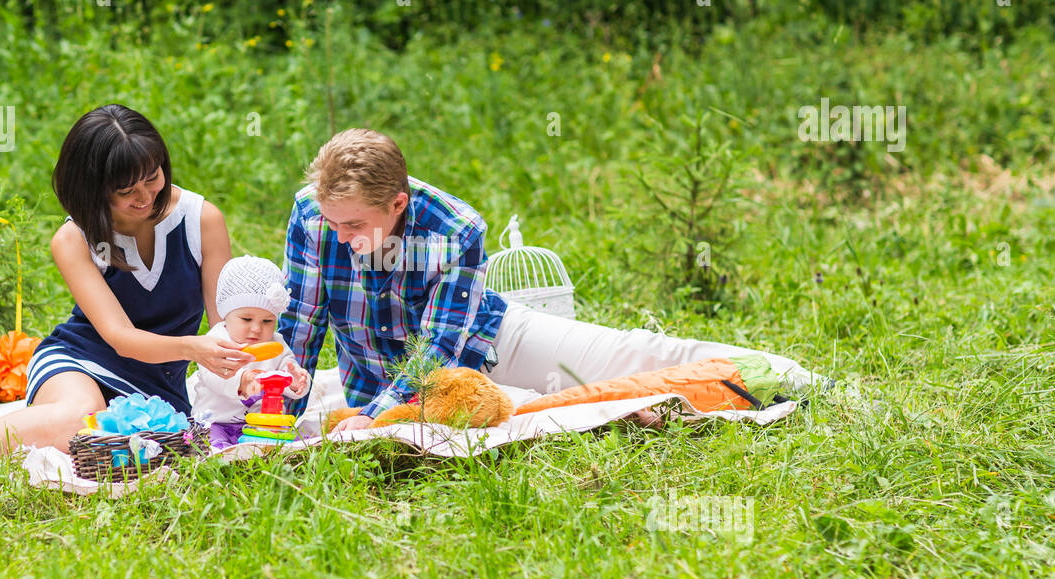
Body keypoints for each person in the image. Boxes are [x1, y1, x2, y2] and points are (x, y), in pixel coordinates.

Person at [280, 128, 824, 433]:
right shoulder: (311, 216)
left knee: (634, 357)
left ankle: (777, 374)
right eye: (333, 222)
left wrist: (373, 419)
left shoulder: (454, 228)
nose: (341, 234)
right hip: (389, 389)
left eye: (355, 225)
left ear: (398, 203)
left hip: (485, 343)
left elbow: (439, 346)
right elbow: (301, 326)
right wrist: (276, 415)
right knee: (566, 412)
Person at [0, 104, 255, 462]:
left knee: (131, 444)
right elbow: (121, 339)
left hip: (158, 389)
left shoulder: (201, 220)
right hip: (78, 361)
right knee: (79, 416)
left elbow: (227, 326)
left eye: (152, 178)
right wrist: (195, 349)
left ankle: (16, 431)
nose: (145, 196)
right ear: (94, 189)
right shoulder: (74, 239)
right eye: (127, 190)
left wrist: (261, 372)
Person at [186, 255, 311, 450]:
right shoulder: (217, 341)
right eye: (246, 319)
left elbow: (287, 374)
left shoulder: (276, 344)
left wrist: (296, 382)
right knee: (212, 445)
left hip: (261, 424)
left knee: (294, 445)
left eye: (267, 321)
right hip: (216, 420)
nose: (256, 329)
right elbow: (213, 375)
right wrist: (242, 381)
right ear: (226, 314)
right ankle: (221, 454)